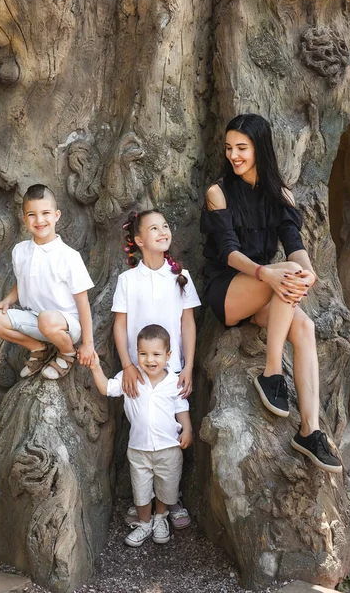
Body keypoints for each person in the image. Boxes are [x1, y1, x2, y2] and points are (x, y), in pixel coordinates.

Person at [200, 113, 342, 474]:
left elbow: (293, 244)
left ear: (259, 149)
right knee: (287, 276)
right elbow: (229, 252)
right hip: (229, 290)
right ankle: (272, 371)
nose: (234, 155)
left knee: (305, 327)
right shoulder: (218, 193)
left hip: (266, 291)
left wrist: (307, 273)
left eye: (242, 148)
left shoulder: (280, 195)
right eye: (230, 148)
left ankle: (310, 431)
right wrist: (269, 273)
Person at [112, 209, 201, 528]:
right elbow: (120, 326)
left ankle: (170, 501)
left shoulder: (181, 277)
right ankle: (143, 505)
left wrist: (188, 366)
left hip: (172, 372)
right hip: (137, 374)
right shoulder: (127, 280)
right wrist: (127, 365)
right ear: (138, 240)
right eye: (153, 228)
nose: (163, 231)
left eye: (165, 225)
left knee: (173, 438)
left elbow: (187, 324)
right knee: (142, 437)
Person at [90, 324, 193, 547]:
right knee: (141, 491)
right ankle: (144, 523)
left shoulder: (173, 382)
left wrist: (187, 428)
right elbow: (107, 388)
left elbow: (180, 407)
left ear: (168, 356)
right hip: (139, 449)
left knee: (167, 488)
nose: (150, 360)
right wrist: (96, 367)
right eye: (143, 353)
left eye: (156, 354)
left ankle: (161, 519)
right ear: (136, 354)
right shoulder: (131, 378)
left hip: (169, 448)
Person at [0, 184, 95, 379]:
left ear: (56, 215)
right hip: (34, 318)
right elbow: (23, 280)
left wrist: (88, 344)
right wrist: (7, 301)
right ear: (25, 219)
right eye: (32, 214)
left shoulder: (69, 256)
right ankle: (38, 348)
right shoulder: (20, 250)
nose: (40, 220)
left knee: (47, 319)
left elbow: (83, 302)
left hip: (65, 324)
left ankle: (67, 353)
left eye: (45, 213)